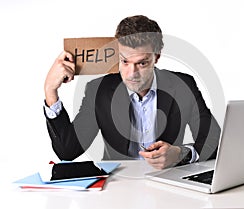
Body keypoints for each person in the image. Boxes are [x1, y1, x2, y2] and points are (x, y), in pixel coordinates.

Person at [44, 15, 221, 169]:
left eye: (142, 63)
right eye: (125, 61)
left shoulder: (183, 85)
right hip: (118, 185)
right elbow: (67, 151)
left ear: (156, 57)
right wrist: (50, 92)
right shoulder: (99, 90)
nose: (131, 74)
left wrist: (180, 154)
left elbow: (214, 141)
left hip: (168, 180)